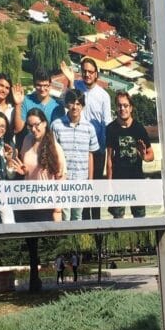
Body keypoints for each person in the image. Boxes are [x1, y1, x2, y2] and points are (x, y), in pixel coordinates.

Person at [62, 58, 111, 220]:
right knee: (79, 192)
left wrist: (104, 149)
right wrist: (70, 81)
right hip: (78, 147)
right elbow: (66, 103)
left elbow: (107, 123)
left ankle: (95, 226)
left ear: (96, 73)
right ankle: (81, 227)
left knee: (94, 190)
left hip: (97, 150)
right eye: (85, 71)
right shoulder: (76, 87)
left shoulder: (103, 96)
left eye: (91, 72)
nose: (87, 74)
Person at [8, 108, 67, 222]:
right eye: (30, 126)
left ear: (44, 123)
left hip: (46, 205)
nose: (33, 129)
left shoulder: (55, 148)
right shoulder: (27, 140)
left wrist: (57, 209)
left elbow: (61, 180)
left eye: (36, 125)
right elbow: (28, 169)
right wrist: (24, 171)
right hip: (27, 202)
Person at [51, 89, 99, 220]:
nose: (75, 107)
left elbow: (90, 155)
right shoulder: (56, 125)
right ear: (67, 104)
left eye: (78, 104)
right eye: (72, 103)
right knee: (64, 215)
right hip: (62, 180)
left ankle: (75, 239)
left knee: (77, 216)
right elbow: (53, 154)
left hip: (81, 180)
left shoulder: (89, 128)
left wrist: (90, 180)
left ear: (82, 106)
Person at [106, 91, 155, 218]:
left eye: (125, 105)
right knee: (117, 218)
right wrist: (109, 184)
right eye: (119, 105)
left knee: (139, 217)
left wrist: (143, 155)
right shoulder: (111, 129)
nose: (122, 108)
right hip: (118, 181)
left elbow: (151, 155)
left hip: (136, 180)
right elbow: (109, 158)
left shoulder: (139, 128)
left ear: (131, 107)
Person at [14, 66, 64, 133]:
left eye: (45, 85)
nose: (42, 89)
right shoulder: (26, 101)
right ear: (34, 85)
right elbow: (18, 129)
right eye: (39, 85)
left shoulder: (57, 106)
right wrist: (18, 105)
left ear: (50, 85)